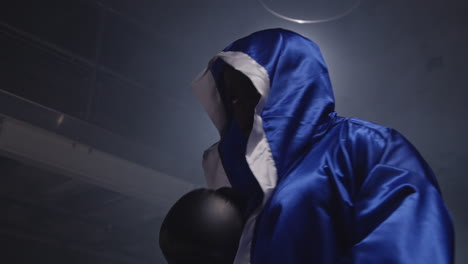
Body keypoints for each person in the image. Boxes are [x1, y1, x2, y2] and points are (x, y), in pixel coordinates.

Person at [191, 28, 454, 263]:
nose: (238, 106)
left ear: (287, 83)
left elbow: (408, 245)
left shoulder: (366, 147)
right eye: (232, 96)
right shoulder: (251, 195)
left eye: (249, 88)